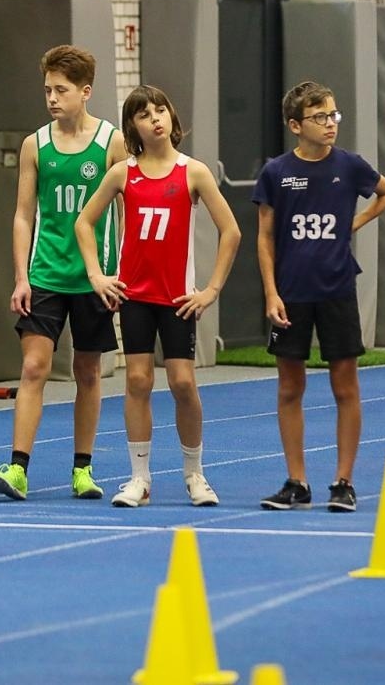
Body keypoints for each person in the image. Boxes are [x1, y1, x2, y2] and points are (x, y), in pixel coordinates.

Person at [75, 85, 241, 508]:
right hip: (134, 296)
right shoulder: (122, 173)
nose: (155, 119)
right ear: (132, 126)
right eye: (144, 114)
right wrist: (97, 276)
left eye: (160, 110)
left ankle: (195, 474)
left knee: (183, 382)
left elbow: (231, 231)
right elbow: (84, 223)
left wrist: (211, 290)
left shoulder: (193, 172)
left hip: (177, 298)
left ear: (172, 117)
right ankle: (139, 478)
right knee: (137, 381)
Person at [0, 45, 126, 501]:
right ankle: (18, 468)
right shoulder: (36, 144)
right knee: (34, 367)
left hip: (93, 277)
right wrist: (21, 276)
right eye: (47, 89)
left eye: (61, 90)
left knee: (88, 371)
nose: (51, 98)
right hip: (45, 273)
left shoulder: (111, 143)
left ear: (85, 92)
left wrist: (121, 268)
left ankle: (82, 469)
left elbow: (128, 209)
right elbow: (23, 214)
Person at [255, 81, 385, 511]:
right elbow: (264, 237)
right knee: (289, 387)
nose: (330, 124)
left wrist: (354, 223)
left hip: (337, 288)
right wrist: (271, 293)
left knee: (345, 385)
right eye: (319, 117)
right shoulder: (277, 172)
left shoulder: (350, 166)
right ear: (296, 125)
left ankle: (343, 481)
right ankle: (296, 480)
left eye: (333, 115)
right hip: (292, 291)